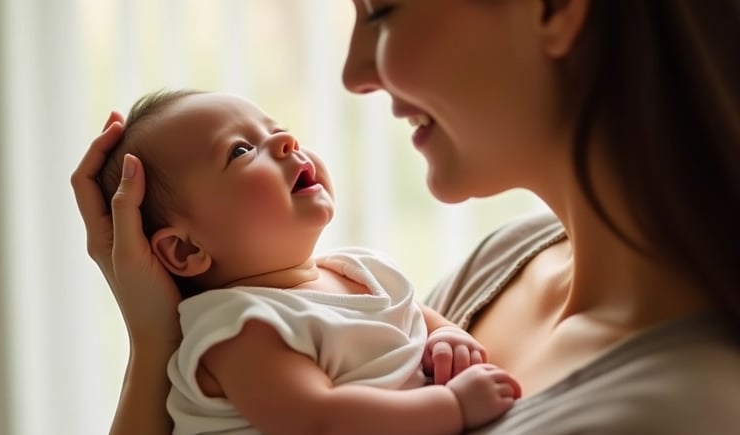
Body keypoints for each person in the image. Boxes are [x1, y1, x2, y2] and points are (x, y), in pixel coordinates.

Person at [71, 0, 740, 434]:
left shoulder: (674, 406)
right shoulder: (501, 261)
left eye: (382, 11)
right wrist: (154, 339)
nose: (355, 72)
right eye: (242, 150)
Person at [95, 88, 521, 435]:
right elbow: (319, 420)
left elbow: (424, 321)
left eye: (277, 130)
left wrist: (448, 340)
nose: (286, 142)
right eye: (241, 151)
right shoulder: (237, 326)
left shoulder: (362, 271)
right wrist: (453, 405)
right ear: (186, 250)